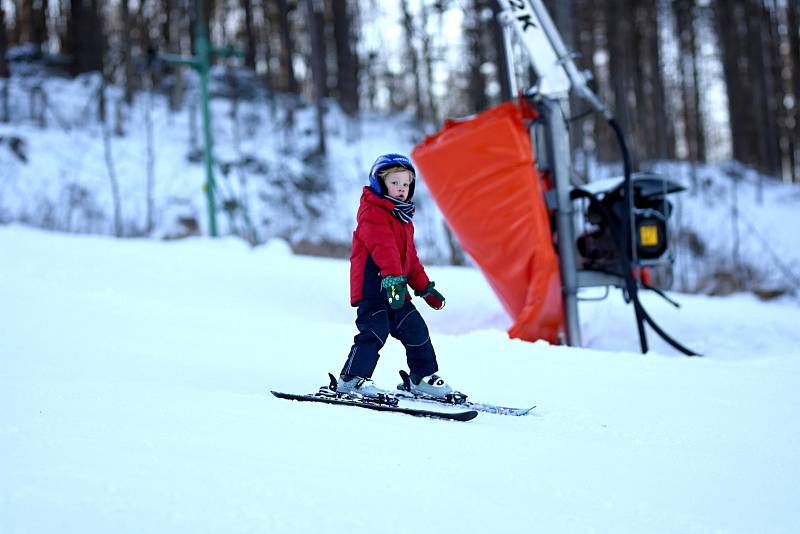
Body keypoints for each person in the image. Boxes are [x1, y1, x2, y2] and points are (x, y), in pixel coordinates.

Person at [338, 153, 455, 399]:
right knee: (374, 331)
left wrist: (424, 288)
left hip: (397, 290)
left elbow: (409, 259)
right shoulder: (372, 212)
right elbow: (385, 251)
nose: (401, 189)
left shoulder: (403, 219)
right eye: (395, 183)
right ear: (380, 183)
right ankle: (351, 379)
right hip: (374, 291)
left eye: (406, 184)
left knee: (416, 329)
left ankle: (421, 378)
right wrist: (393, 282)